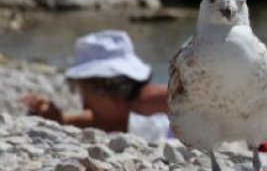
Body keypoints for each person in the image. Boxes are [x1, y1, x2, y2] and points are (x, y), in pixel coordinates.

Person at [21, 30, 170, 139]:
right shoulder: (129, 111)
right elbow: (106, 120)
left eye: (83, 91)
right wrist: (62, 120)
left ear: (104, 90)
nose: (84, 104)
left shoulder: (152, 104)